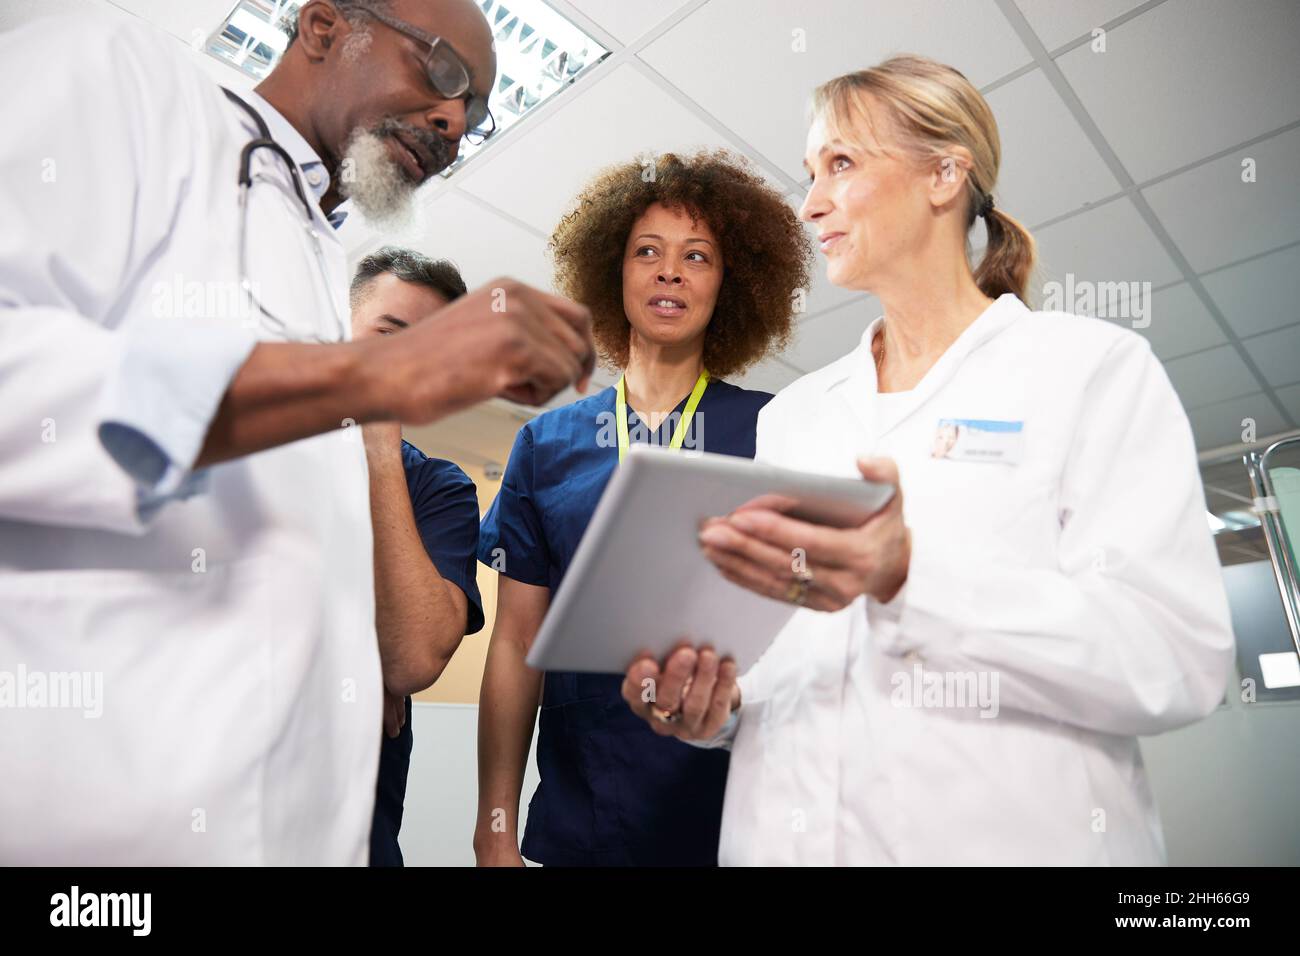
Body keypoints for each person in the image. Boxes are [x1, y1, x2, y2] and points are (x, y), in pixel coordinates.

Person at [0, 0, 593, 864]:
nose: (454, 121)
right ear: (323, 26)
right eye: (445, 74)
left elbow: (387, 645)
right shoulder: (127, 72)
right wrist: (371, 378)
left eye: (476, 109)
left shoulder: (315, 254)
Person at [621, 55, 1235, 865]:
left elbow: (1175, 659)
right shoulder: (798, 415)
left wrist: (911, 578)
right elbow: (787, 661)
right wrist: (720, 706)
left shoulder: (1091, 369)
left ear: (946, 174)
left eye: (840, 164)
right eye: (812, 172)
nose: (811, 204)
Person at [474, 151, 812, 866]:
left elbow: (801, 628)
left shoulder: (776, 428)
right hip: (585, 809)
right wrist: (496, 823)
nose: (669, 271)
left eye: (698, 257)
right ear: (613, 273)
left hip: (733, 808)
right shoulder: (547, 444)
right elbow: (513, 645)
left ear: (731, 285)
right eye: (647, 252)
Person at [348, 247, 485, 866]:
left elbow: (410, 658)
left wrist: (379, 438)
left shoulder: (439, 487)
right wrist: (350, 667)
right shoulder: (256, 448)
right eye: (388, 335)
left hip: (357, 829)